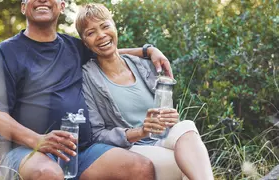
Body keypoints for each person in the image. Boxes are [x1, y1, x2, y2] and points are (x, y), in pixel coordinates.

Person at [0, 0, 174, 179]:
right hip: (25, 150)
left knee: (141, 168)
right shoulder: (4, 53)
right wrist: (38, 140)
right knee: (49, 173)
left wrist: (148, 51)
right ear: (23, 7)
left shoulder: (73, 47)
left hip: (80, 150)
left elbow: (108, 52)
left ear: (62, 6)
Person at [76, 3, 214, 180]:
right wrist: (141, 131)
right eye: (91, 32)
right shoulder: (87, 78)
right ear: (85, 42)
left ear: (114, 26)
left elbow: (165, 113)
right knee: (179, 164)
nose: (101, 35)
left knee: (187, 127)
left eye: (105, 26)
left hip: (164, 137)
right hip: (132, 146)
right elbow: (98, 134)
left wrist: (170, 118)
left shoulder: (143, 64)